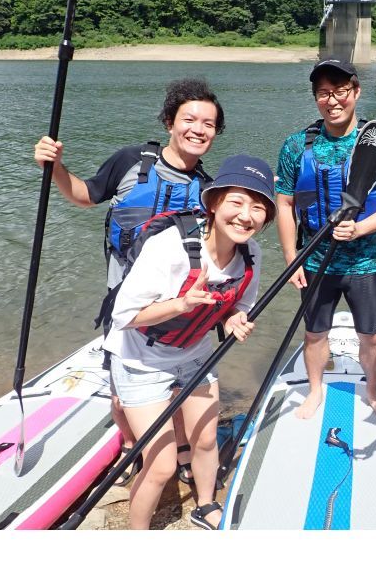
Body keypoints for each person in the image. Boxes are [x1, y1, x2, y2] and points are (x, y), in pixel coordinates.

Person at [33, 77, 223, 486]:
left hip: (176, 306)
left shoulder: (209, 191)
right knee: (122, 394)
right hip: (124, 302)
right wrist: (55, 168)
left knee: (177, 385)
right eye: (189, 119)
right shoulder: (131, 161)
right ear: (170, 122)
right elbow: (85, 195)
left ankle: (181, 449)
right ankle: (131, 445)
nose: (198, 129)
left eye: (208, 124)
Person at [103, 154, 276, 530]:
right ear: (213, 204)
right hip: (141, 360)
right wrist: (180, 304)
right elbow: (124, 316)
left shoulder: (251, 254)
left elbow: (239, 306)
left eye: (258, 207)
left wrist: (233, 320)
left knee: (206, 438)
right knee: (161, 465)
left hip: (195, 353)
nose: (245, 216)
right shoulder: (170, 247)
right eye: (236, 202)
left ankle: (205, 503)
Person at [275, 56, 376, 419]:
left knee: (372, 336)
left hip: (364, 263)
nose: (332, 100)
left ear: (356, 91)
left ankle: (373, 391)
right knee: (314, 333)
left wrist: (361, 228)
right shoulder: (296, 146)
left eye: (340, 91)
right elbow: (284, 203)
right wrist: (290, 258)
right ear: (315, 97)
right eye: (323, 93)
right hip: (315, 261)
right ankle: (315, 389)